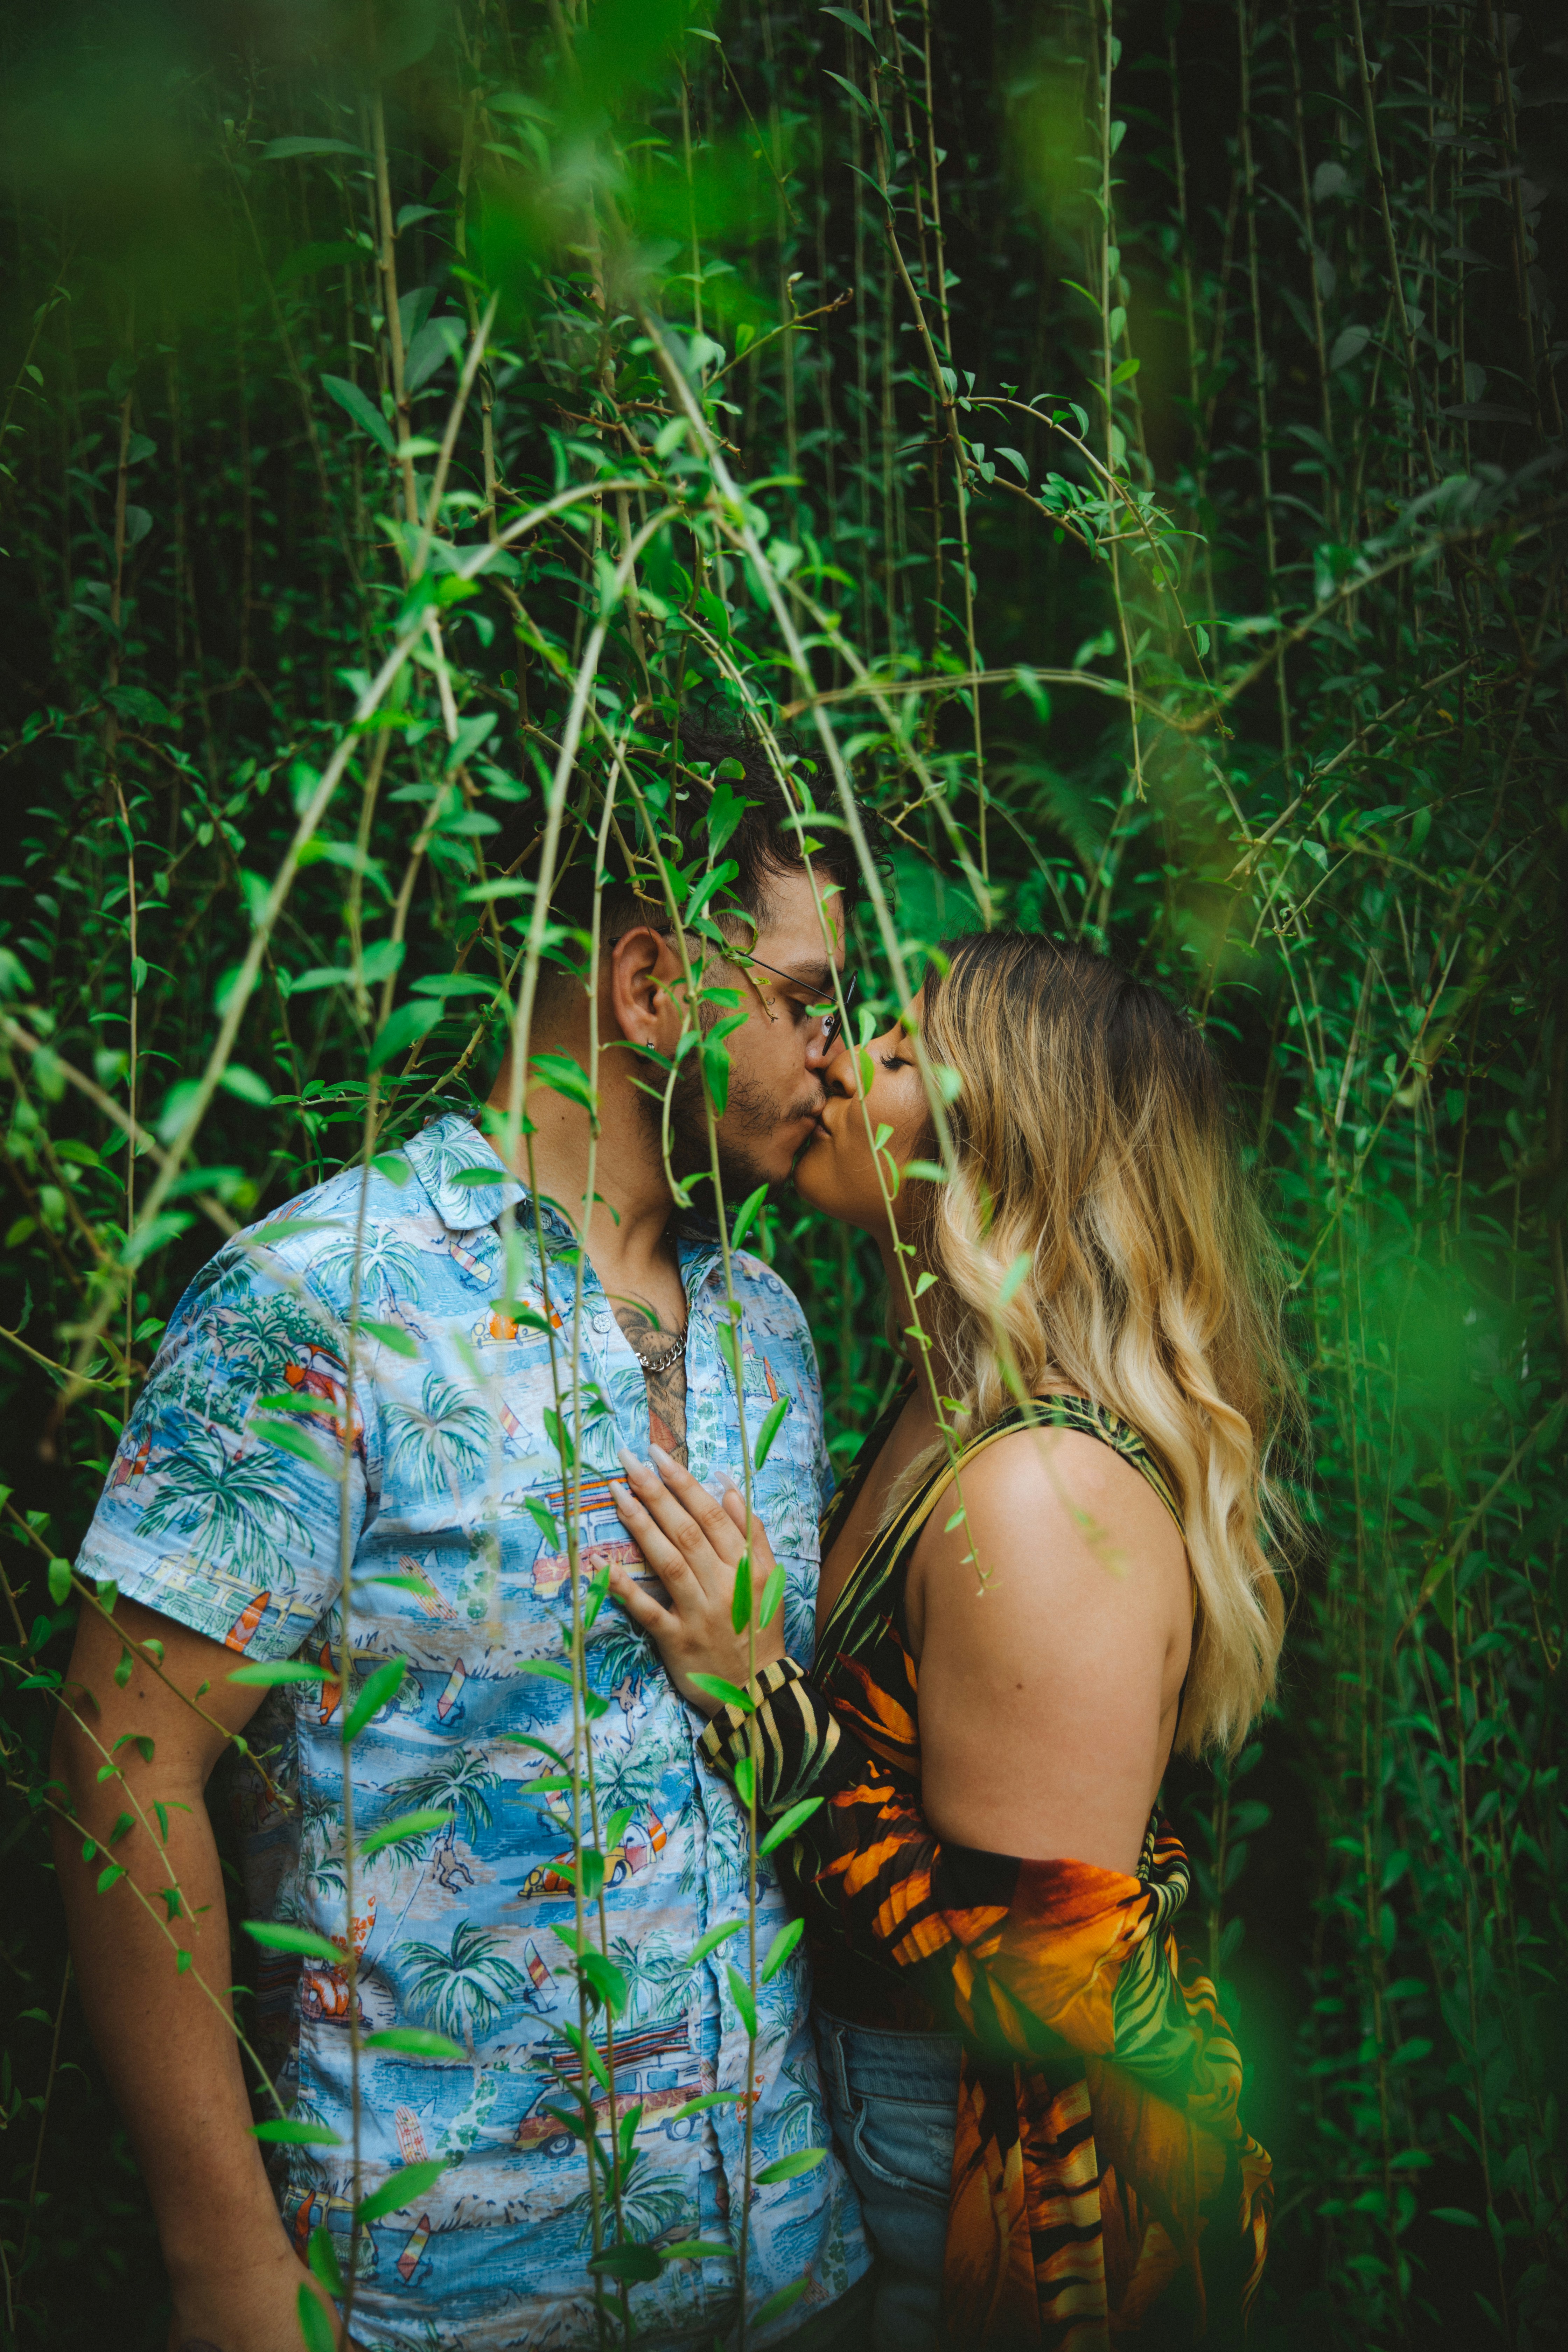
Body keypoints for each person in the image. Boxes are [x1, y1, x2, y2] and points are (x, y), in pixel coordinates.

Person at [50, 728, 875, 2352]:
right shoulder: (324, 1304)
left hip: (787, 2263)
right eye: (805, 1004)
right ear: (649, 988)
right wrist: (223, 2259)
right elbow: (117, 1764)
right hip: (447, 2299)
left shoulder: (766, 1323)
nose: (841, 1062)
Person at [606, 932, 1295, 2351]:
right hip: (871, 2114)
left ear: (1005, 1147)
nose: (836, 1064)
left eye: (901, 1051)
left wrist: (758, 1702)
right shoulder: (938, 1409)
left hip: (976, 2173)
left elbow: (1023, 1996)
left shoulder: (1041, 1499)